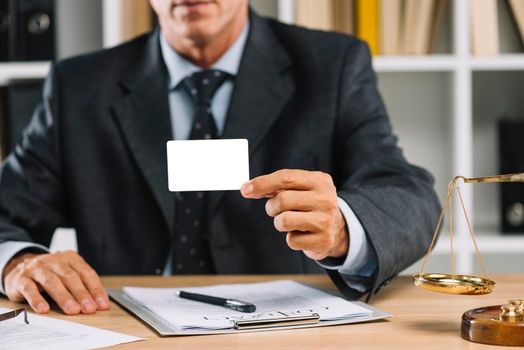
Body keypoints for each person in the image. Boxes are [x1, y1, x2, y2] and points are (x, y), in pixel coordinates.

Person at [0, 0, 440, 315]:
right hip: (126, 328)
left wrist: (345, 226)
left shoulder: (334, 64)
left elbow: (411, 198)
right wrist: (18, 261)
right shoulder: (78, 84)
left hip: (285, 331)